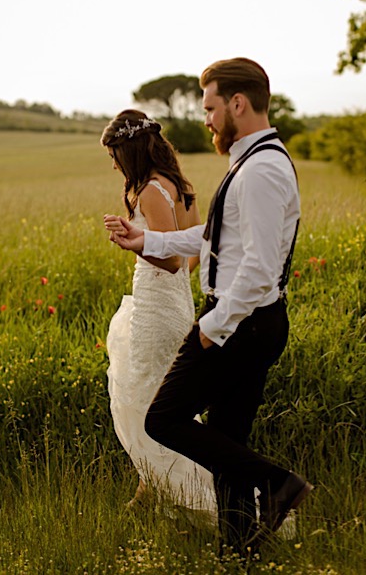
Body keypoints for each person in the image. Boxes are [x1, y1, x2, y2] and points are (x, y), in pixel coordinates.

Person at [104, 58, 311, 554]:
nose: (206, 120)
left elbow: (259, 266)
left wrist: (213, 326)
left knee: (161, 420)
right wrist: (146, 237)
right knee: (226, 439)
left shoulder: (261, 169)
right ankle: (236, 551)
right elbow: (216, 236)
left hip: (242, 322)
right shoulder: (251, 160)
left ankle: (280, 483)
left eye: (211, 108)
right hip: (249, 321)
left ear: (238, 104)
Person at [100, 109, 215, 517]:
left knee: (146, 395)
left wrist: (132, 243)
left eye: (115, 154)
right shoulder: (181, 186)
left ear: (129, 151)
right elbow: (196, 250)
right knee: (157, 395)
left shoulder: (149, 189)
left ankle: (190, 495)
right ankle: (150, 487)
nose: (113, 164)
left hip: (157, 305)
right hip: (175, 303)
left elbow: (168, 259)